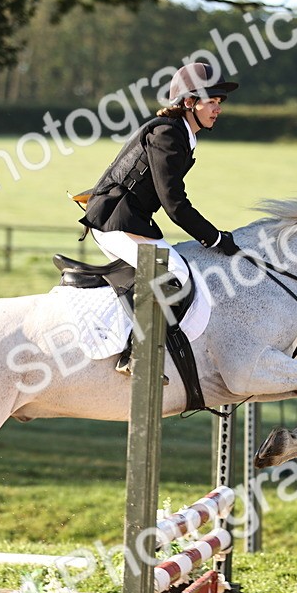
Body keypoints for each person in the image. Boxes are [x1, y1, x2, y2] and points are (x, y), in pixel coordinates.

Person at [79, 61, 241, 374]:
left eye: (219, 102)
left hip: (128, 221)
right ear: (189, 102)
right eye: (212, 101)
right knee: (174, 274)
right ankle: (135, 354)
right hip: (116, 221)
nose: (217, 108)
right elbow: (175, 205)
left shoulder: (180, 134)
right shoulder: (168, 134)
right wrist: (216, 238)